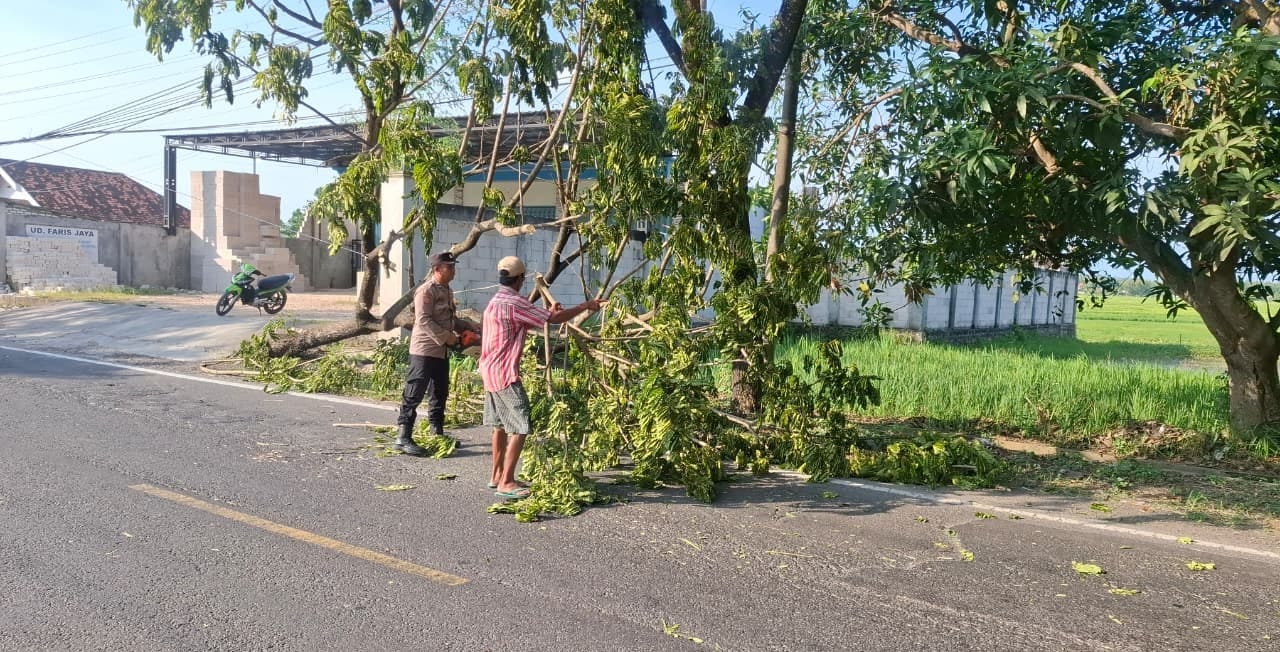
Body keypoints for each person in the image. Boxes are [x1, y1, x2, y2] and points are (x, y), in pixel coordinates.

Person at [479, 256, 604, 496]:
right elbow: (554, 320)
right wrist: (586, 305)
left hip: (489, 370)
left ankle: (496, 476)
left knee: (500, 425)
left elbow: (536, 318)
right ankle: (507, 482)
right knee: (521, 425)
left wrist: (548, 313)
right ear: (519, 279)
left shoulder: (496, 301)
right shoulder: (515, 302)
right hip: (505, 373)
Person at [395, 251, 480, 456]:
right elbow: (423, 321)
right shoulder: (426, 291)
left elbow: (449, 319)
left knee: (439, 392)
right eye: (449, 267)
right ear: (436, 269)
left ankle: (437, 432)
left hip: (440, 352)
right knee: (414, 392)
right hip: (424, 350)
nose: (453, 270)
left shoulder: (447, 290)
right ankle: (403, 436)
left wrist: (468, 327)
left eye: (453, 266)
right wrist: (448, 337)